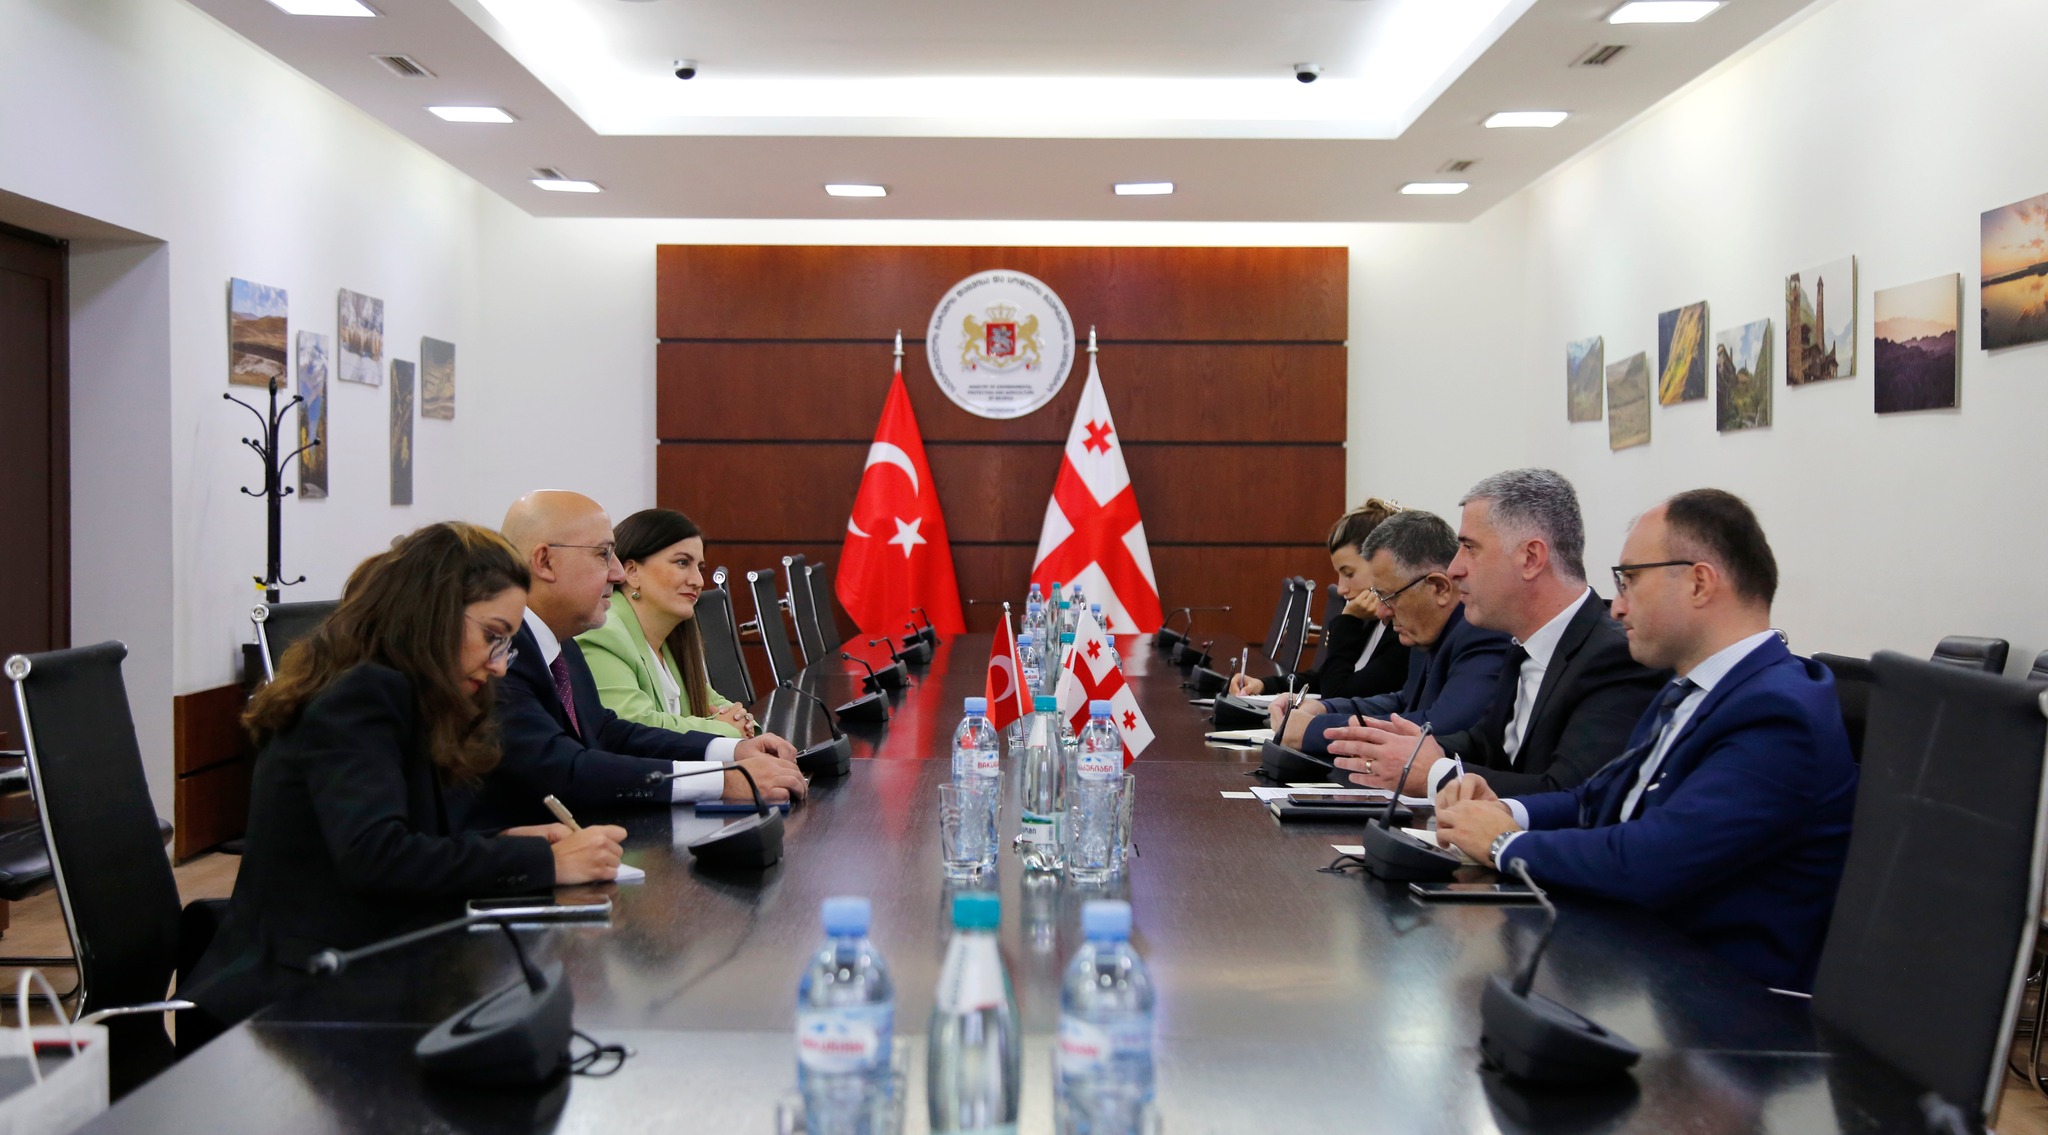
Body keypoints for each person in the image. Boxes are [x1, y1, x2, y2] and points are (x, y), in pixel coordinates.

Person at [182, 523, 629, 1034]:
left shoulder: (401, 691)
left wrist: (503, 839)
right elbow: (377, 858)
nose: (501, 667)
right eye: (493, 637)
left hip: (357, 962)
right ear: (434, 615)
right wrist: (544, 862)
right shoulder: (361, 696)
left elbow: (404, 834)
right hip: (301, 994)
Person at [1433, 490, 1857, 992]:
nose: (1617, 607)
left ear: (1699, 582)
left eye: (1630, 580)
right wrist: (1506, 810)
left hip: (1724, 1002)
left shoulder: (1778, 712)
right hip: (1644, 967)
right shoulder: (1690, 688)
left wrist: (1505, 844)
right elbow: (1598, 801)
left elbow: (1652, 859)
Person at [470, 490, 806, 832]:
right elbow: (563, 768)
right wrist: (722, 780)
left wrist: (731, 752)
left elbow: (607, 732)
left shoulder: (562, 644)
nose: (617, 573)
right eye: (604, 554)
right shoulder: (501, 654)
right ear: (544, 562)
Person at [1326, 469, 1664, 797]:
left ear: (1530, 558)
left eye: (1470, 548)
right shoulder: (1522, 645)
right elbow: (1485, 744)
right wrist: (1409, 748)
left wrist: (1436, 772)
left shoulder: (1615, 656)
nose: (1455, 568)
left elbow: (1572, 794)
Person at [1279, 510, 1512, 753]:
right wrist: (1326, 709)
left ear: (1439, 588)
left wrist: (1313, 730)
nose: (1381, 612)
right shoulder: (1425, 629)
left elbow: (1439, 727)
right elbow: (1405, 702)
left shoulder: (1482, 631)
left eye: (1389, 597)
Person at [577, 508, 757, 739]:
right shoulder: (603, 633)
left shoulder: (670, 641)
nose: (698, 581)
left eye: (700, 568)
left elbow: (722, 707)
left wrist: (744, 724)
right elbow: (633, 726)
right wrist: (727, 729)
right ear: (632, 571)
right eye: (682, 563)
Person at [1229, 498, 1409, 700]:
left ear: (1383, 564)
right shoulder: (1373, 620)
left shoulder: (1404, 635)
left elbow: (1336, 694)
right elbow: (1325, 677)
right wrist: (1264, 685)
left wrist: (1348, 621)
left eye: (1349, 574)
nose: (1341, 588)